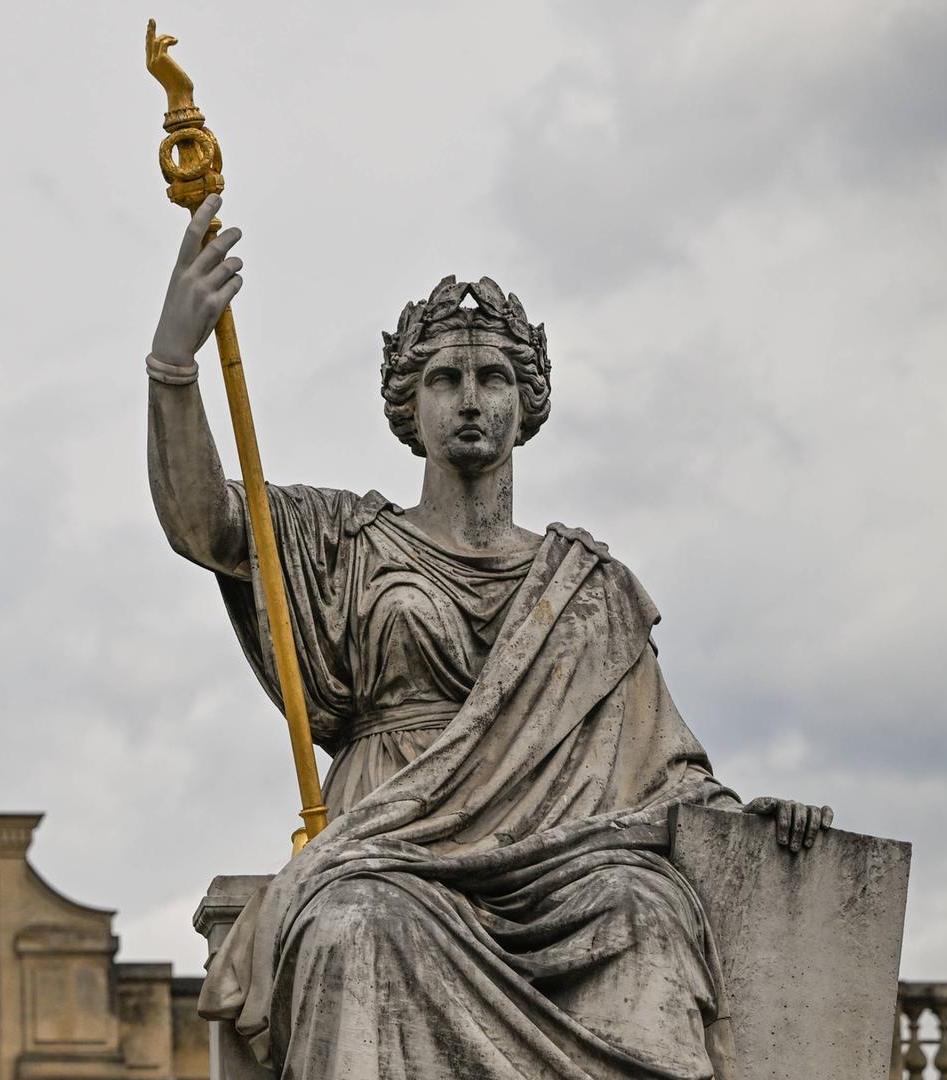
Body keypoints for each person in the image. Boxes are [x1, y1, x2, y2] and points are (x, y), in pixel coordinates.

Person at [146, 194, 832, 1079]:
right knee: (356, 925)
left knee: (646, 914)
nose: (470, 400)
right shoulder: (346, 540)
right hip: (392, 850)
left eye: (493, 378)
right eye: (444, 380)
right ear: (410, 404)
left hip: (563, 862)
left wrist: (747, 824)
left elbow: (665, 772)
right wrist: (174, 365)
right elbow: (203, 520)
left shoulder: (592, 589)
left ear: (526, 400)